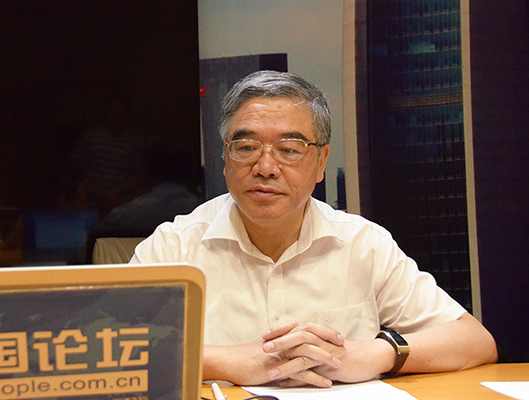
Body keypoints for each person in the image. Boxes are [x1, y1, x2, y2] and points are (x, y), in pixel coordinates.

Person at [129, 70, 497, 388]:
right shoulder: (173, 248)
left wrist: (373, 354)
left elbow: (474, 342)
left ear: (321, 162)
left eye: (289, 149)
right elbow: (115, 352)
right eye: (246, 147)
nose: (265, 167)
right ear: (225, 158)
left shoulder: (363, 243)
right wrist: (227, 362)